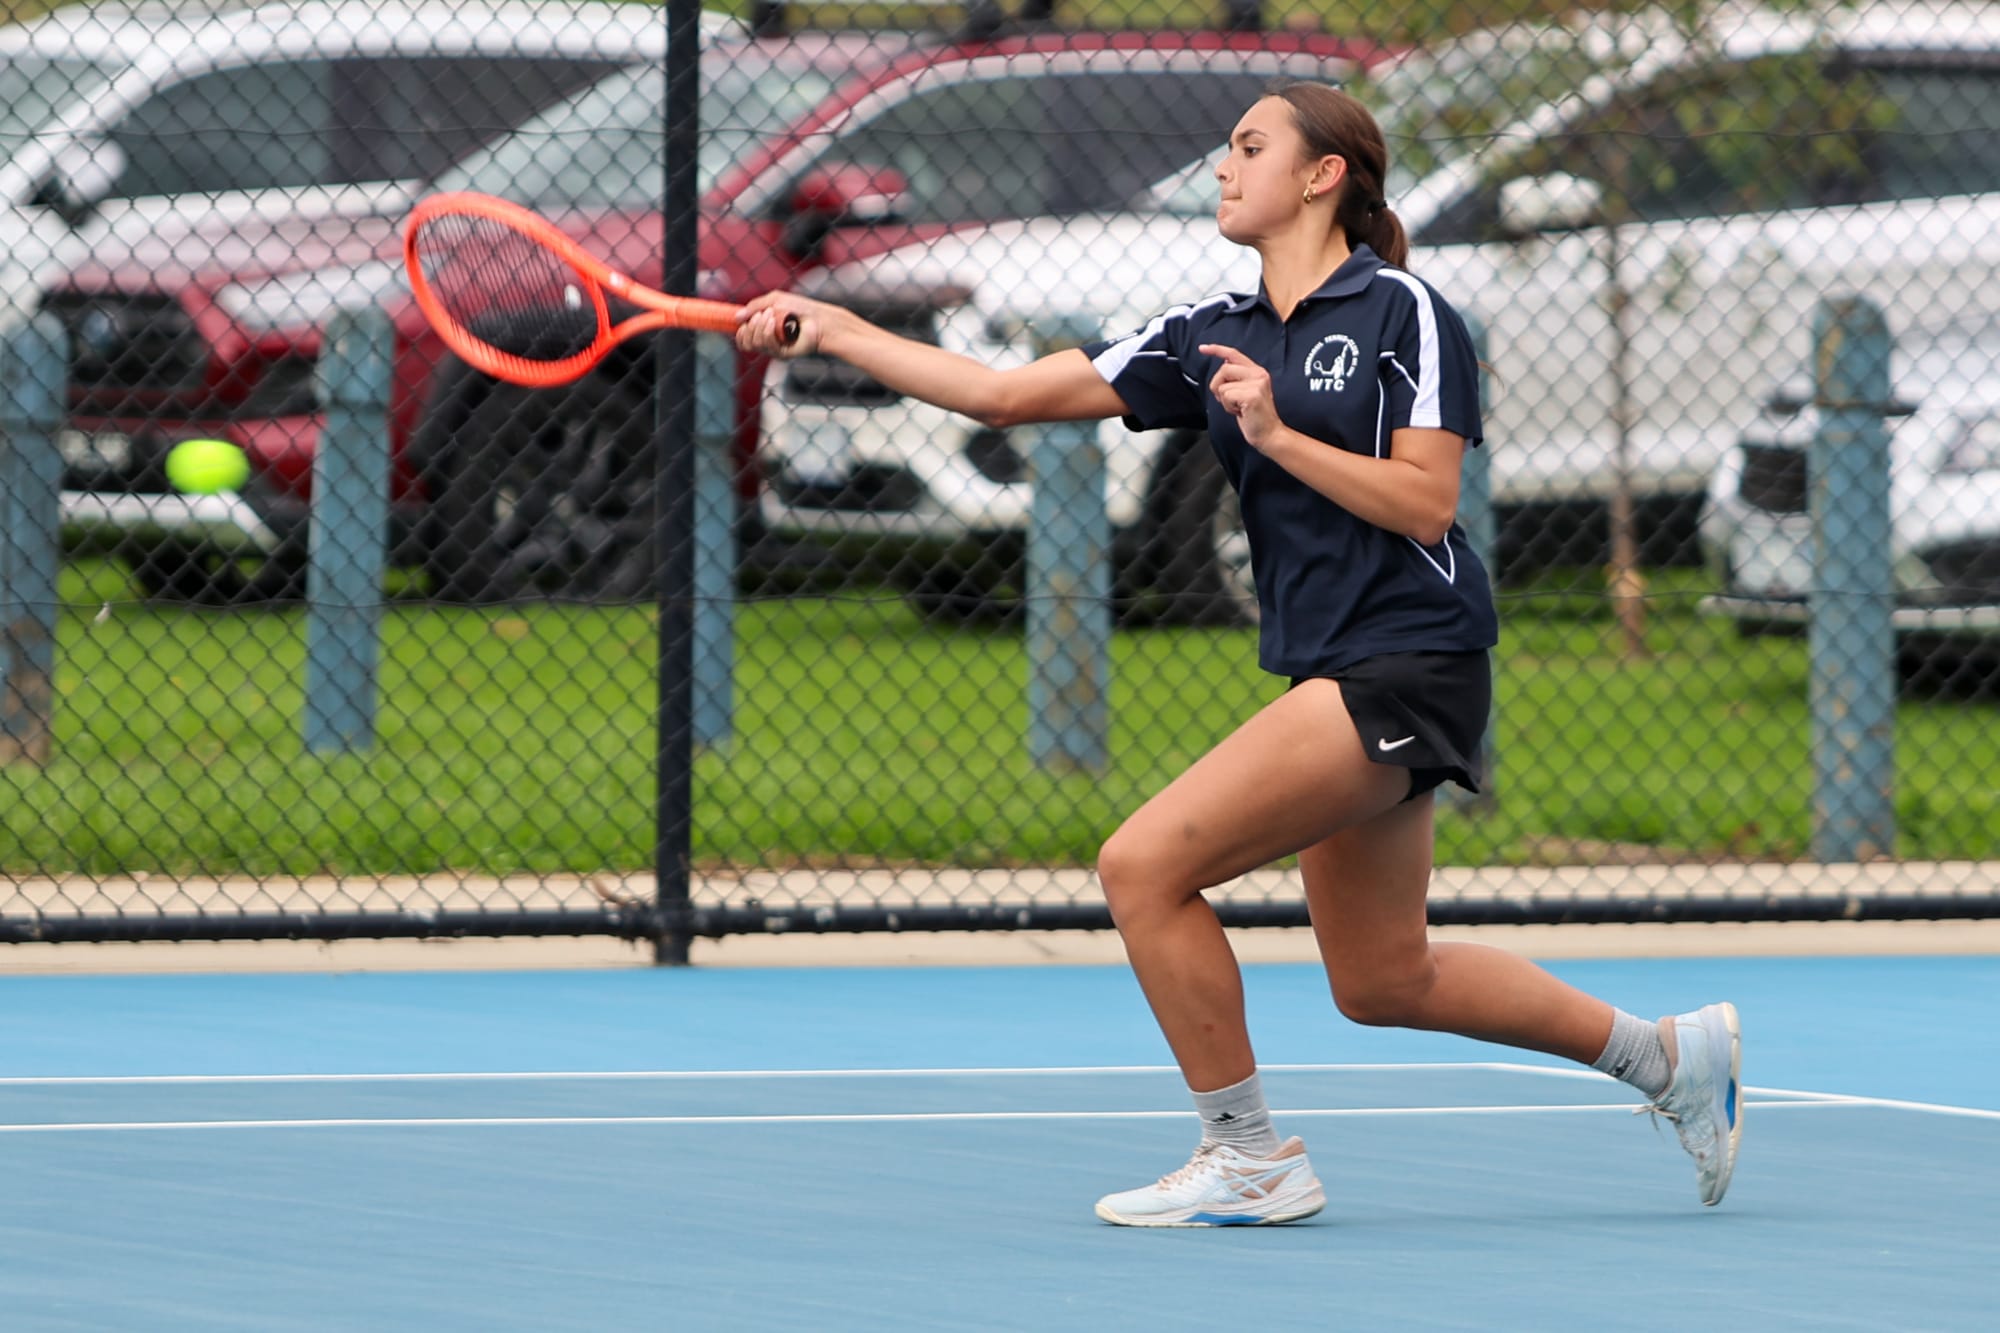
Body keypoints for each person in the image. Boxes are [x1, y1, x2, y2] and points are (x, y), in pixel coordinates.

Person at [737, 80, 1742, 1227]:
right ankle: (1669, 1061)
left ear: (1322, 175)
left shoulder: (1401, 309)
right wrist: (832, 324)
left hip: (1407, 655)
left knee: (1142, 865)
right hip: (1343, 665)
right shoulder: (1208, 328)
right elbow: (1004, 395)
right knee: (1380, 978)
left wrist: (1273, 433)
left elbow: (1424, 502)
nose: (1223, 166)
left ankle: (1247, 1153)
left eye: (1248, 146)